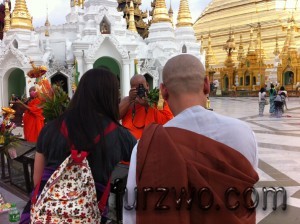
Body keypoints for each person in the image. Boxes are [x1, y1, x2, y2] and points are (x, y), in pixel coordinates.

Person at [123, 54, 259, 224]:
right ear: (207, 85)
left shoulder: (146, 147)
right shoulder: (244, 134)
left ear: (164, 91)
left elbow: (132, 212)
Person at [20, 68, 136, 224]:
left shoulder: (51, 128)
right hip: (87, 215)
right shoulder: (120, 135)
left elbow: (37, 179)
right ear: (112, 96)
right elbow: (144, 165)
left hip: (45, 214)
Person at [120, 75, 173, 139]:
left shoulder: (159, 99)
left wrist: (148, 106)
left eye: (140, 87)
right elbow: (116, 116)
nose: (139, 91)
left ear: (147, 85)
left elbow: (167, 121)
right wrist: (130, 99)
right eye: (135, 89)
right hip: (130, 142)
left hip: (151, 141)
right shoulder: (128, 101)